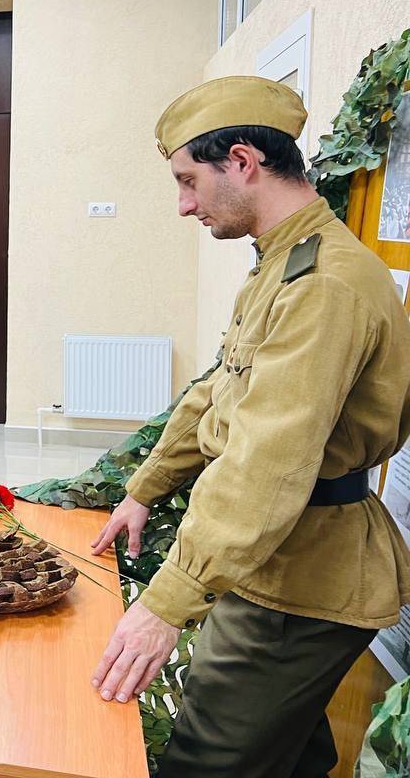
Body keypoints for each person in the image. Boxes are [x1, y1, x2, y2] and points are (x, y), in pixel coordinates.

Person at [89, 76, 410, 778]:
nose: (184, 205)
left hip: (299, 579)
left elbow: (265, 462)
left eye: (188, 181)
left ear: (241, 161)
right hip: (275, 557)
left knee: (205, 763)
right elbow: (219, 393)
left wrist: (164, 604)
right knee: (286, 756)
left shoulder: (322, 284)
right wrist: (145, 488)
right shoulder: (284, 263)